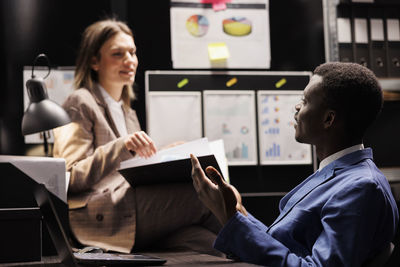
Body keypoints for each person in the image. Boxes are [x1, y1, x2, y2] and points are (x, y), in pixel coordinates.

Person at [191, 62, 399, 266]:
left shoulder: (361, 188)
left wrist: (230, 219)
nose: (297, 107)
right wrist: (237, 212)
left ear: (328, 119)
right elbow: (285, 243)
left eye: (305, 101)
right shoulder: (341, 174)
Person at [53, 18, 221, 255]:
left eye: (132, 52)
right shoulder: (79, 102)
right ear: (94, 61)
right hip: (101, 217)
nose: (129, 60)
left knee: (209, 245)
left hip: (132, 209)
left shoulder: (127, 112)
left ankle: (259, 248)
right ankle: (267, 247)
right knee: (206, 195)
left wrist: (164, 154)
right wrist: (122, 146)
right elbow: (69, 176)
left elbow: (131, 165)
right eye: (117, 54)